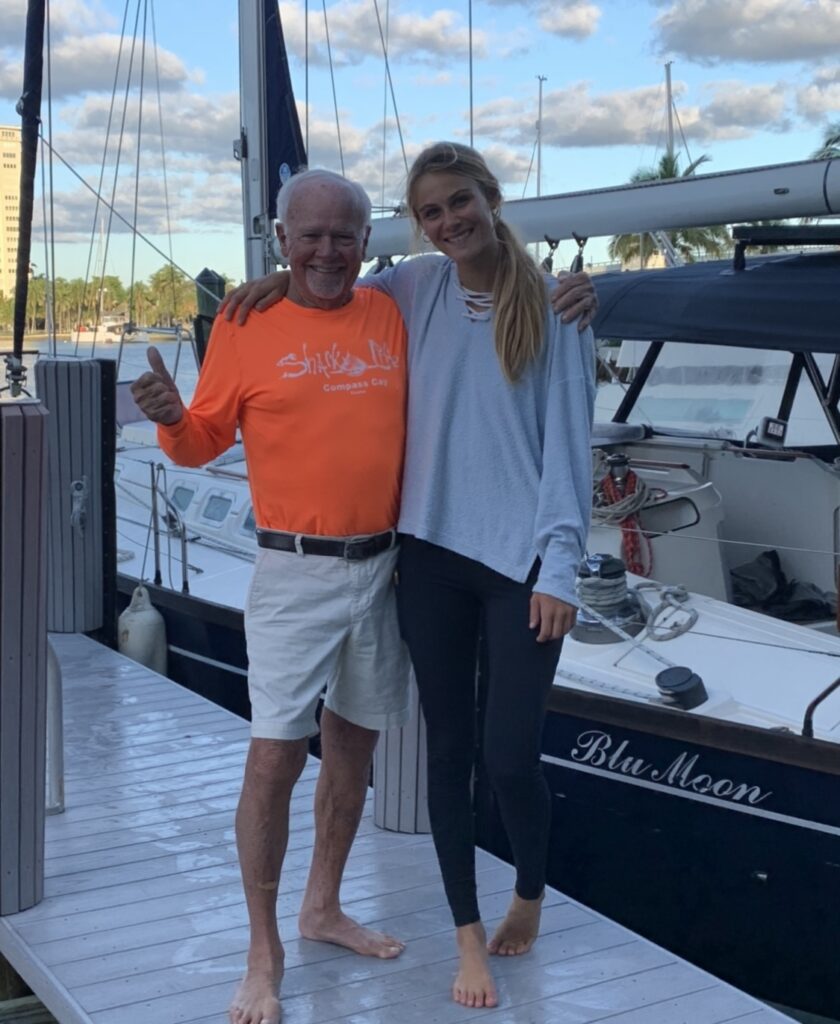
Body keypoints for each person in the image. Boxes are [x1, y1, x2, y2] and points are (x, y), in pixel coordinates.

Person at [221, 142, 596, 1010]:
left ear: (490, 198)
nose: (449, 220)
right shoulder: (415, 288)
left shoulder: (556, 307)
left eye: (460, 202)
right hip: (425, 556)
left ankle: (529, 891)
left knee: (509, 757)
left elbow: (571, 453)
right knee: (445, 753)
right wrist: (277, 279)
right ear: (419, 227)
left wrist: (562, 569)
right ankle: (465, 939)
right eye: (431, 212)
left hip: (520, 564)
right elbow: (327, 281)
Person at [130, 169, 412, 1024]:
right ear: (281, 239)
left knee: (353, 752)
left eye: (344, 235)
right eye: (310, 236)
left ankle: (322, 907)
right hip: (294, 571)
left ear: (367, 240)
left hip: (385, 568)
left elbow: (483, 283)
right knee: (275, 758)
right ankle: (264, 950)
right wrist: (170, 416)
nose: (327, 252)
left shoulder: (393, 312)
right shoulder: (245, 323)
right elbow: (199, 443)